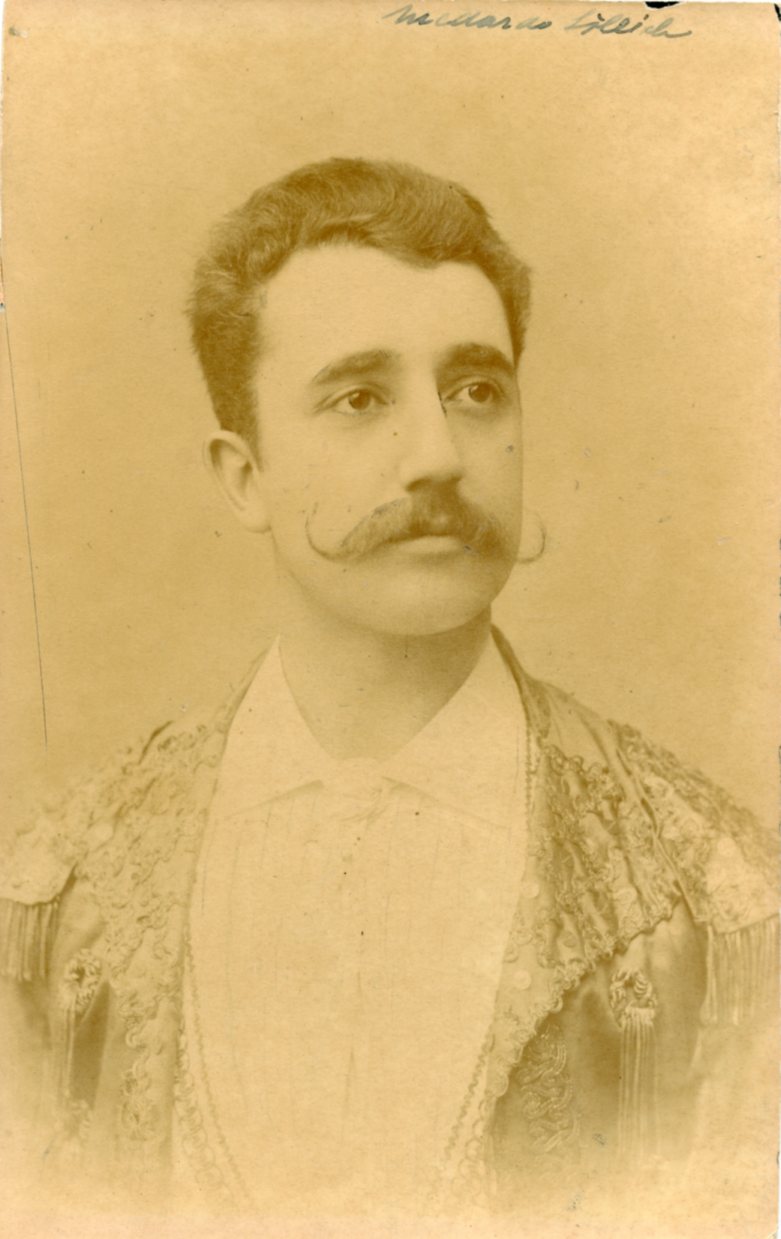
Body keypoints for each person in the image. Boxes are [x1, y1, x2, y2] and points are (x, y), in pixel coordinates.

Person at [1, 158, 776, 1228]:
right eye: (359, 398)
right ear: (244, 475)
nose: (439, 457)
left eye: (476, 391)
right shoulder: (55, 897)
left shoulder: (719, 901)